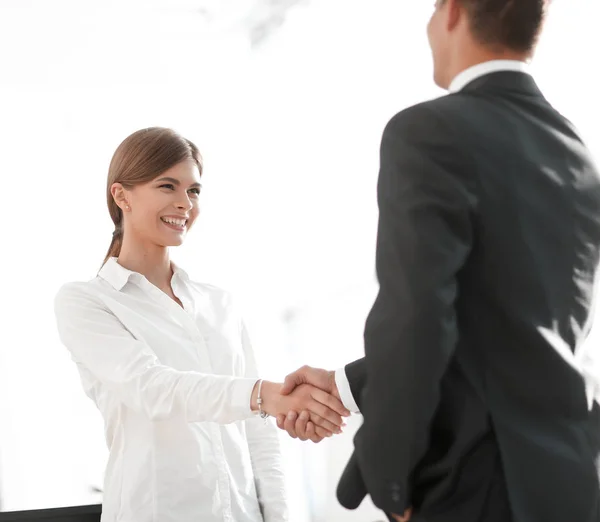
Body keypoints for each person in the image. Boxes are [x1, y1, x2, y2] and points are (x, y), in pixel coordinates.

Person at [277, 0, 600, 521]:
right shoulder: (576, 151)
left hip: (476, 486)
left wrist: (392, 478)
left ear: (452, 11)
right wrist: (343, 386)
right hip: (571, 482)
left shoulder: (428, 132)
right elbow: (505, 330)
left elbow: (418, 315)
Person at [54, 127, 350, 522]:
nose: (185, 204)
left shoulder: (219, 303)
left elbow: (258, 431)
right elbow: (152, 388)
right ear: (121, 195)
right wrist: (267, 395)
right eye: (167, 186)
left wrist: (277, 516)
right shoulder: (87, 301)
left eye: (194, 191)